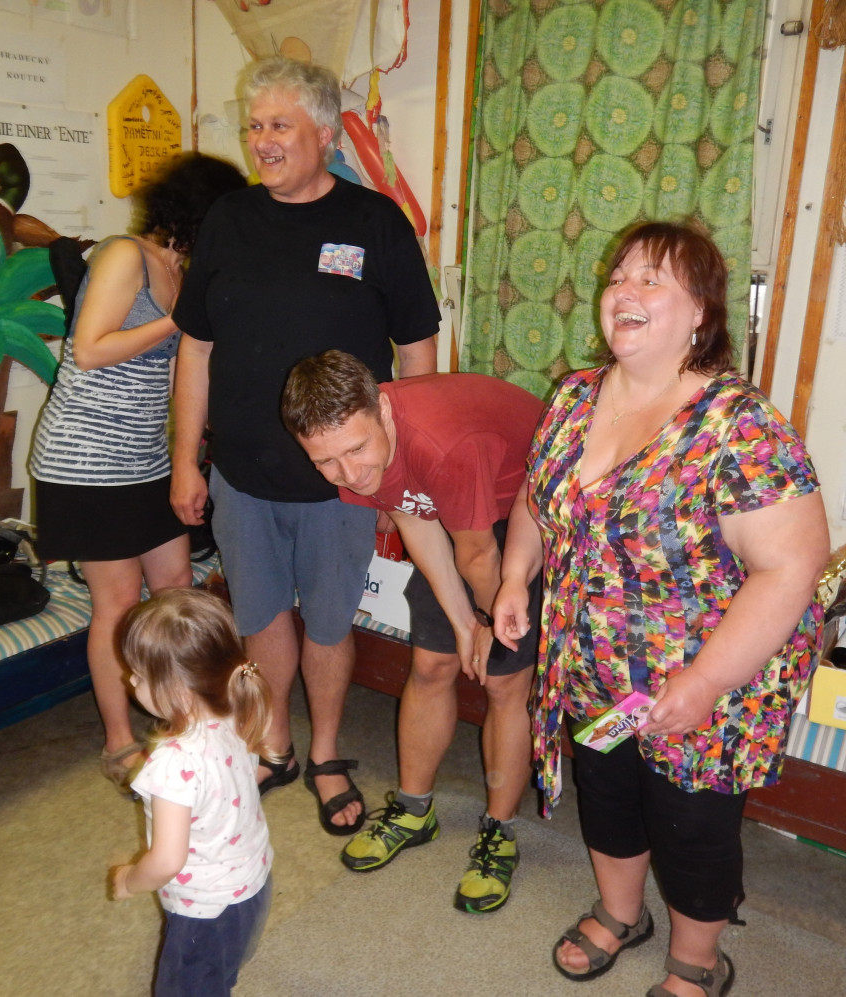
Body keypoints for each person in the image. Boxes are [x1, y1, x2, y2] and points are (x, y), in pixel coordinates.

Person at [493, 220, 828, 997]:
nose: (626, 290)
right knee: (607, 794)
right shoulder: (574, 395)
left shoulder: (739, 425)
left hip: (703, 681)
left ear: (701, 313)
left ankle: (698, 958)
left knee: (691, 823)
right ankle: (620, 912)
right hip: (591, 670)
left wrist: (706, 681)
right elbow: (538, 498)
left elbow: (792, 565)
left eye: (652, 279)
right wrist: (515, 575)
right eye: (619, 276)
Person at [170, 56, 439, 835]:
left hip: (343, 480)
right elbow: (196, 348)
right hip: (241, 472)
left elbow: (418, 352)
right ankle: (275, 743)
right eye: (255, 125)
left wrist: (399, 469)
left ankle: (325, 753)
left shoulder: (375, 222)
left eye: (279, 125)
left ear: (324, 133)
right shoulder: (228, 219)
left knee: (327, 622)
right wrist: (186, 459)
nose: (262, 140)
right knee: (260, 617)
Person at [281, 350, 544, 913]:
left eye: (356, 450)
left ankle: (499, 830)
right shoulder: (356, 452)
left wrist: (484, 623)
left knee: (503, 683)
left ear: (382, 409)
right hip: (451, 509)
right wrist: (461, 623)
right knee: (430, 664)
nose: (349, 474)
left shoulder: (441, 442)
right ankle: (413, 809)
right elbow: (409, 512)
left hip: (528, 512)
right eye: (325, 461)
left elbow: (478, 555)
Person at [30, 154, 247, 792]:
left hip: (144, 458)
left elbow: (184, 370)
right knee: (119, 605)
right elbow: (89, 349)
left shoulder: (182, 272)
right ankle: (119, 740)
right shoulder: (124, 255)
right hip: (85, 461)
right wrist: (178, 320)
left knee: (176, 586)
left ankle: (180, 716)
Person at [109, 588, 275, 997]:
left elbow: (167, 860)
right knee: (218, 971)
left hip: (205, 909)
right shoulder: (236, 708)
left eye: (139, 676)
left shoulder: (171, 764)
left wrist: (130, 880)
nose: (129, 680)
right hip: (252, 881)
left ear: (179, 691)